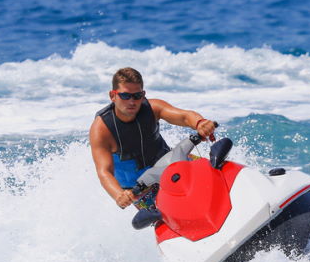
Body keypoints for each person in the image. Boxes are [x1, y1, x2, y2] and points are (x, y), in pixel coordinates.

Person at [90, 67, 216, 209]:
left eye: (137, 96)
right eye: (125, 96)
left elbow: (185, 116)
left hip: (170, 164)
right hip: (139, 188)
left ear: (143, 94)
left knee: (214, 171)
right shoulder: (101, 129)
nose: (132, 101)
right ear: (113, 95)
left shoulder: (153, 107)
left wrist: (200, 123)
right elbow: (104, 172)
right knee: (177, 210)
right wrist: (119, 195)